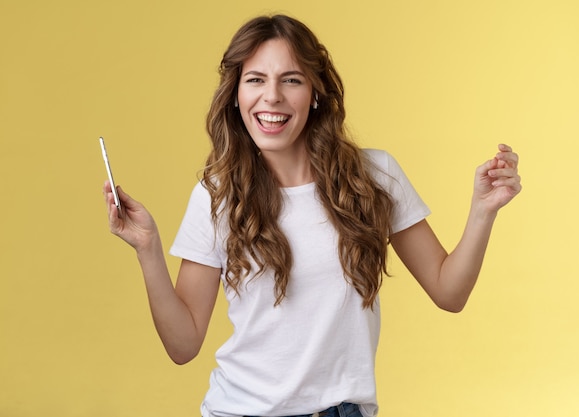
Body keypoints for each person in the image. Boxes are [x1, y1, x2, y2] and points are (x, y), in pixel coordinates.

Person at [103, 14, 521, 417]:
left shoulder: (375, 176)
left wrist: (483, 211)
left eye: (291, 80)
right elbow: (183, 345)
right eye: (255, 80)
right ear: (236, 94)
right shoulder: (217, 196)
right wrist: (148, 249)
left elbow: (449, 293)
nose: (272, 97)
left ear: (316, 92)